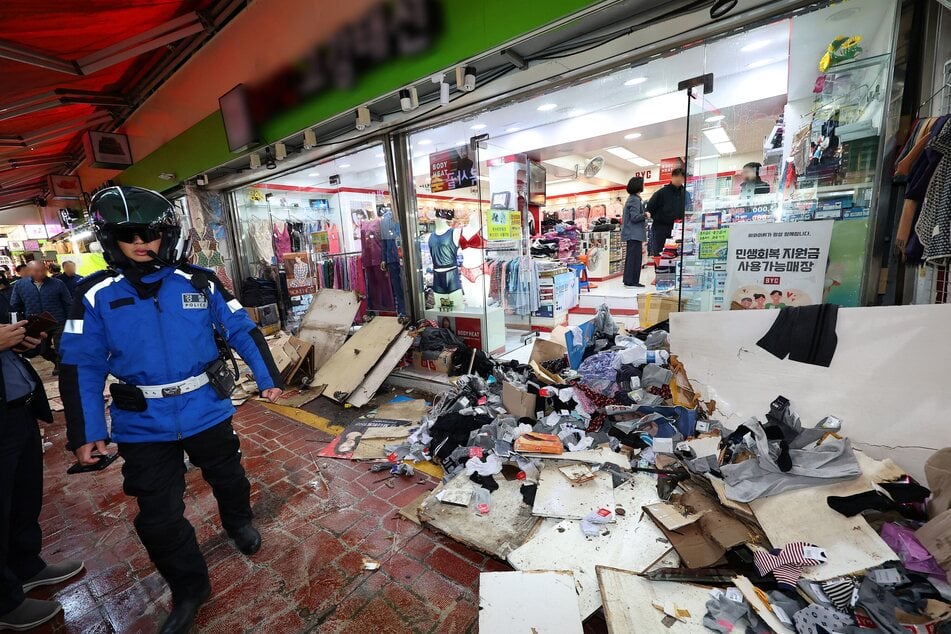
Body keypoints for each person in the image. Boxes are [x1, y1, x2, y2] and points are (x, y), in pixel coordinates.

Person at [59, 186, 285, 634]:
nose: (141, 242)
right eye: (128, 235)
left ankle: (239, 523)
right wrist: (86, 431)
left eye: (150, 233)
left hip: (207, 409)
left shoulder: (201, 282)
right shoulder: (92, 295)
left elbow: (241, 328)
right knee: (158, 518)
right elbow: (79, 364)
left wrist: (268, 378)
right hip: (142, 424)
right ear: (110, 240)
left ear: (168, 236)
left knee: (229, 477)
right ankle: (188, 588)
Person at [0, 317, 84, 631]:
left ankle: (25, 566)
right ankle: (5, 602)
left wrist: (22, 343)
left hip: (17, 410)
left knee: (24, 496)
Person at [10, 261, 72, 375]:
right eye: (37, 271)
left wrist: (71, 322)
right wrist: (22, 321)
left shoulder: (57, 283)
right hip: (37, 323)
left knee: (62, 346)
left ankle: (63, 368)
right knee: (42, 349)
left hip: (58, 321)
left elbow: (68, 303)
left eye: (43, 270)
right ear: (29, 271)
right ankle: (56, 360)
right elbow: (15, 304)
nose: (41, 273)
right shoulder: (20, 285)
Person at [646, 167, 691, 256]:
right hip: (661, 229)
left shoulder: (686, 194)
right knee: (660, 254)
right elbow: (650, 208)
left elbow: (689, 210)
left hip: (679, 230)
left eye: (681, 177)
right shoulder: (661, 193)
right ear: (672, 177)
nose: (679, 179)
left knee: (677, 255)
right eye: (677, 176)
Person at [621, 176, 647, 288]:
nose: (644, 185)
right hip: (634, 233)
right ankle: (632, 281)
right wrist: (645, 215)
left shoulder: (632, 198)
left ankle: (629, 280)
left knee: (632, 257)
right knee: (635, 258)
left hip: (632, 233)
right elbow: (635, 217)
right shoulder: (635, 199)